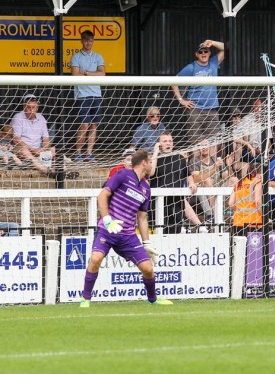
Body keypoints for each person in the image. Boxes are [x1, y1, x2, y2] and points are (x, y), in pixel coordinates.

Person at [79, 149, 172, 308]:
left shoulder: (146, 188)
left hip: (128, 235)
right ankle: (85, 298)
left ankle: (153, 299)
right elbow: (102, 195)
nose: (151, 165)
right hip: (107, 230)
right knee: (95, 259)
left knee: (148, 269)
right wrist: (107, 219)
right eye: (150, 162)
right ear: (144, 163)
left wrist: (147, 243)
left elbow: (142, 217)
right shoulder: (123, 175)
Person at [171, 39, 225, 144]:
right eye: (200, 52)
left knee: (213, 144)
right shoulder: (191, 67)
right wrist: (181, 100)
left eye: (206, 51)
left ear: (209, 53)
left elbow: (225, 48)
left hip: (212, 111)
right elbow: (174, 81)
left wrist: (212, 43)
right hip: (196, 111)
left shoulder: (214, 62)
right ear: (196, 54)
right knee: (196, 144)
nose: (203, 53)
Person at [11, 94, 77, 179]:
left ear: (37, 108)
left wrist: (43, 150)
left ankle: (64, 171)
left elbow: (46, 139)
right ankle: (49, 172)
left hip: (38, 152)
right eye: (28, 107)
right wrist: (33, 150)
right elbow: (17, 140)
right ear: (24, 107)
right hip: (24, 150)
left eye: (33, 107)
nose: (31, 110)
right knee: (24, 150)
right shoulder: (18, 117)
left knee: (55, 149)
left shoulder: (41, 118)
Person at [149, 131, 198, 234]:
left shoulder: (179, 158)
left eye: (170, 141)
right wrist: (155, 153)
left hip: (177, 202)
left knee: (175, 232)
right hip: (158, 203)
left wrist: (192, 183)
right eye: (165, 141)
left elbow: (187, 174)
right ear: (159, 144)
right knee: (159, 233)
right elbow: (151, 172)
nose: (168, 143)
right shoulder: (154, 158)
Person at [70, 30, 105, 162]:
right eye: (86, 40)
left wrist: (84, 72)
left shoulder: (98, 56)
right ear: (81, 41)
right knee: (84, 124)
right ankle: (78, 153)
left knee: (94, 124)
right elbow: (75, 75)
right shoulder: (76, 57)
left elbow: (102, 74)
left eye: (90, 40)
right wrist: (93, 73)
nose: (88, 43)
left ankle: (89, 154)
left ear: (93, 41)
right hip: (82, 95)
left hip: (96, 95)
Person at [188, 139, 229, 224]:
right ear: (198, 149)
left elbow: (226, 177)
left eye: (206, 145)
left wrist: (229, 165)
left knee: (234, 180)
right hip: (202, 193)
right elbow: (197, 178)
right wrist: (214, 167)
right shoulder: (194, 161)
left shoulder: (215, 159)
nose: (204, 148)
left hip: (217, 188)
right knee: (207, 180)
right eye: (201, 146)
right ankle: (212, 215)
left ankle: (232, 211)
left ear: (209, 146)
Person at [228, 163, 263, 236]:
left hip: (238, 222)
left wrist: (239, 211)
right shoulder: (257, 182)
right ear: (260, 173)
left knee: (239, 246)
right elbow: (258, 202)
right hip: (253, 222)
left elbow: (230, 203)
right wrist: (265, 217)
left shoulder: (239, 183)